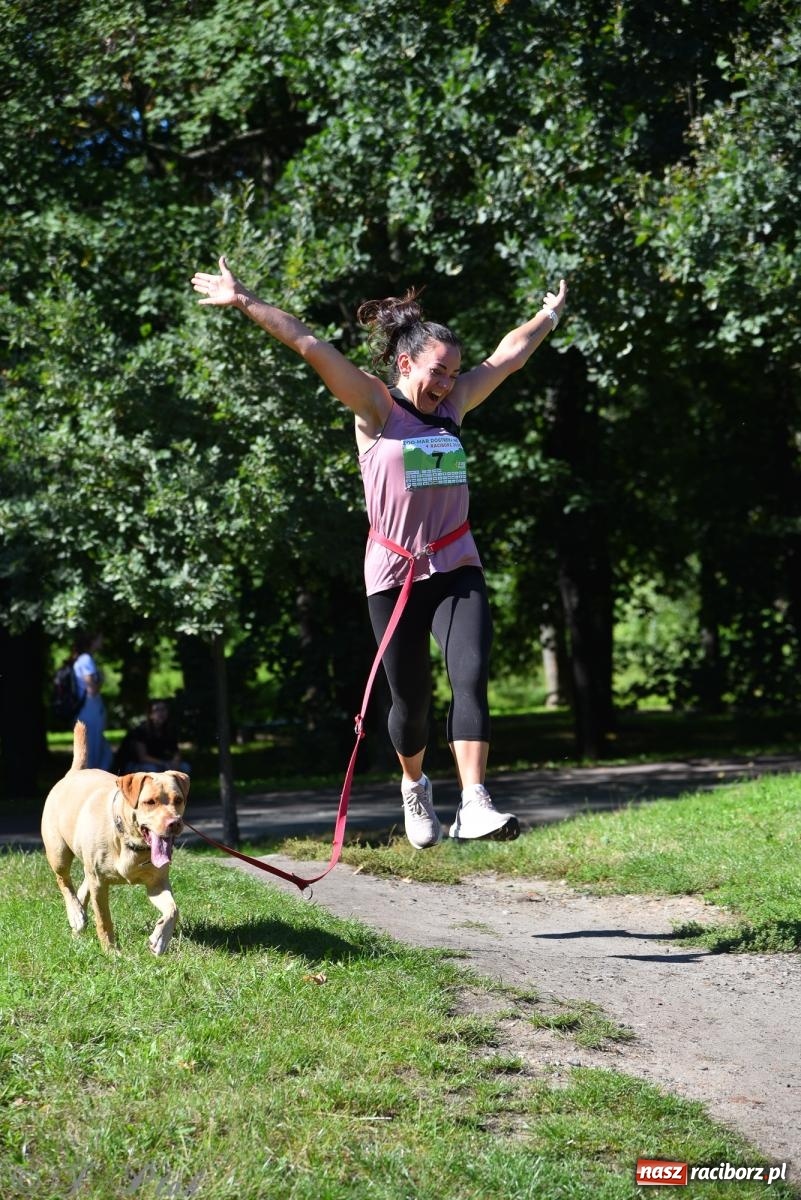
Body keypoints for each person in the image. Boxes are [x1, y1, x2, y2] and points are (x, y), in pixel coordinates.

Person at [191, 255, 567, 849]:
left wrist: (548, 316)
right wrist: (245, 301)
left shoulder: (454, 408)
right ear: (405, 363)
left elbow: (508, 357)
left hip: (456, 564)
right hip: (394, 575)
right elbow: (311, 345)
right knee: (410, 702)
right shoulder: (376, 407)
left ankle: (474, 802)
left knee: (470, 675)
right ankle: (414, 785)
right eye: (438, 372)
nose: (447, 384)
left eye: (454, 374)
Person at [71, 631, 113, 771]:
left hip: (88, 709)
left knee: (100, 750)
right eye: (100, 638)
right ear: (92, 640)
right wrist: (101, 679)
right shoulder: (86, 659)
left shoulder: (82, 658)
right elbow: (92, 688)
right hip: (90, 709)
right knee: (93, 751)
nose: (102, 641)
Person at [119, 699, 191, 775]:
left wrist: (175, 761)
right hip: (137, 764)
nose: (161, 713)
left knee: (185, 767)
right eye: (157, 710)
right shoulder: (141, 731)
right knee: (152, 769)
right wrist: (164, 764)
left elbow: (176, 751)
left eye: (163, 709)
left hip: (161, 763)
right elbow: (143, 757)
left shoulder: (170, 730)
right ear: (150, 714)